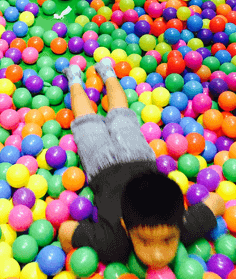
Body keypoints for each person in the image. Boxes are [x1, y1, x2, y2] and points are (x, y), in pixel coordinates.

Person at [57, 58, 225, 269]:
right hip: (117, 161)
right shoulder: (115, 243)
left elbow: (65, 231)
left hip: (114, 162)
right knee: (105, 116)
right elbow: (217, 202)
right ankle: (78, 77)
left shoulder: (178, 226)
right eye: (144, 240)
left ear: (180, 220)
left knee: (97, 119)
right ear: (125, 227)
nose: (157, 255)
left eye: (168, 240)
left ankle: (100, 73)